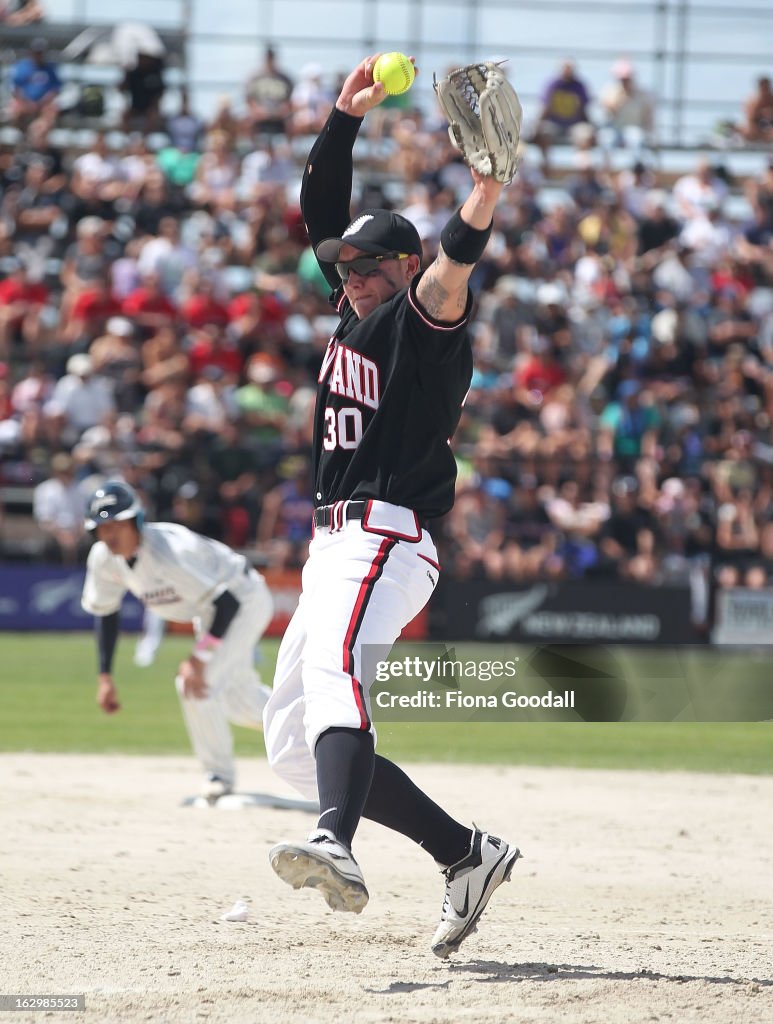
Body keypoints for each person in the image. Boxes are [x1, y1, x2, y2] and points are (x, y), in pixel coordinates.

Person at [263, 54, 520, 959]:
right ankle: (465, 853)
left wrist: (483, 193)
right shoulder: (351, 307)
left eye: (369, 265)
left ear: (401, 265)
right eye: (346, 266)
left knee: (338, 674)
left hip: (385, 535)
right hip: (332, 546)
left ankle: (336, 840)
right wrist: (341, 116)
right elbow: (318, 216)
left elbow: (450, 270)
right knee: (291, 744)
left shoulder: (420, 319)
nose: (350, 274)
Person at [80, 481, 274, 800]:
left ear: (136, 521)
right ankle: (315, 726)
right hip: (212, 610)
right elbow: (106, 612)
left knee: (194, 683)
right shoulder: (103, 558)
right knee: (239, 702)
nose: (109, 534)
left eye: (117, 525)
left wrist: (198, 659)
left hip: (243, 599)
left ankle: (219, 776)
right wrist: (105, 676)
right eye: (102, 528)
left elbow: (228, 604)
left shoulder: (168, 552)